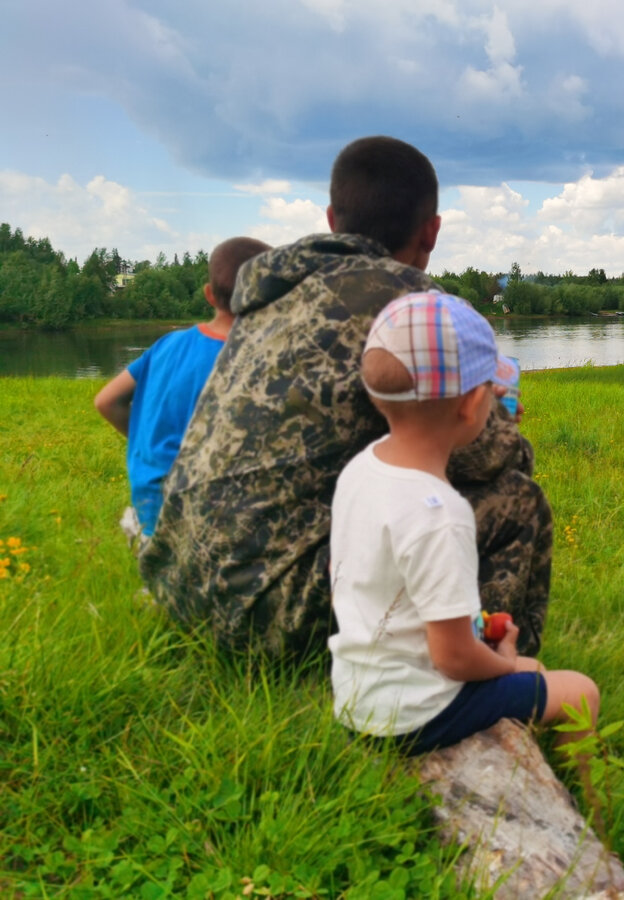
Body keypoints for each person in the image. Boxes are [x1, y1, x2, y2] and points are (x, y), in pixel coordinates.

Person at [139, 136, 553, 659]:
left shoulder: (268, 295)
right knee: (518, 500)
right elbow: (490, 452)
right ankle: (487, 677)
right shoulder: (415, 310)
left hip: (180, 582)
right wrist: (503, 418)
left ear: (332, 218)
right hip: (267, 619)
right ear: (433, 230)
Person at [330, 291, 597, 753]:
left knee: (534, 672)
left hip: (358, 698)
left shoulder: (362, 469)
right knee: (580, 691)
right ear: (472, 404)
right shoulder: (441, 512)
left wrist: (485, 633)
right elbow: (452, 658)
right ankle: (595, 805)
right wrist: (505, 662)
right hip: (414, 717)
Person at [94, 237, 270, 537]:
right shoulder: (257, 356)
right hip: (212, 513)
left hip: (152, 500)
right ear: (268, 297)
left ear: (209, 295)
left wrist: (144, 442)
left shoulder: (169, 343)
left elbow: (106, 401)